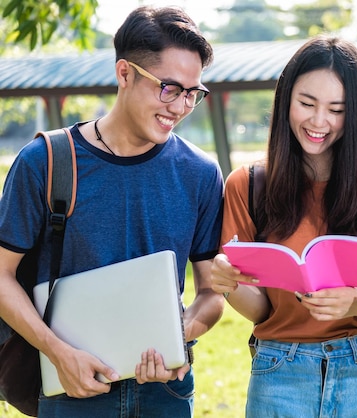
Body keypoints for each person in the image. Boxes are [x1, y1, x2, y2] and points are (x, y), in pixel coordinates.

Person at [0, 6, 224, 417]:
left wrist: (180, 334)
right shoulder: (46, 161)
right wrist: (58, 353)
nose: (180, 107)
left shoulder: (201, 173)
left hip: (166, 394)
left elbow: (211, 294)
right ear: (125, 73)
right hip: (71, 390)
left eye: (193, 93)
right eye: (169, 88)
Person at [210, 35, 357, 417]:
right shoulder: (248, 183)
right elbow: (260, 311)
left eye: (336, 109)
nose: (319, 122)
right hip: (279, 369)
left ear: (354, 113)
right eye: (306, 104)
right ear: (286, 98)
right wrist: (230, 285)